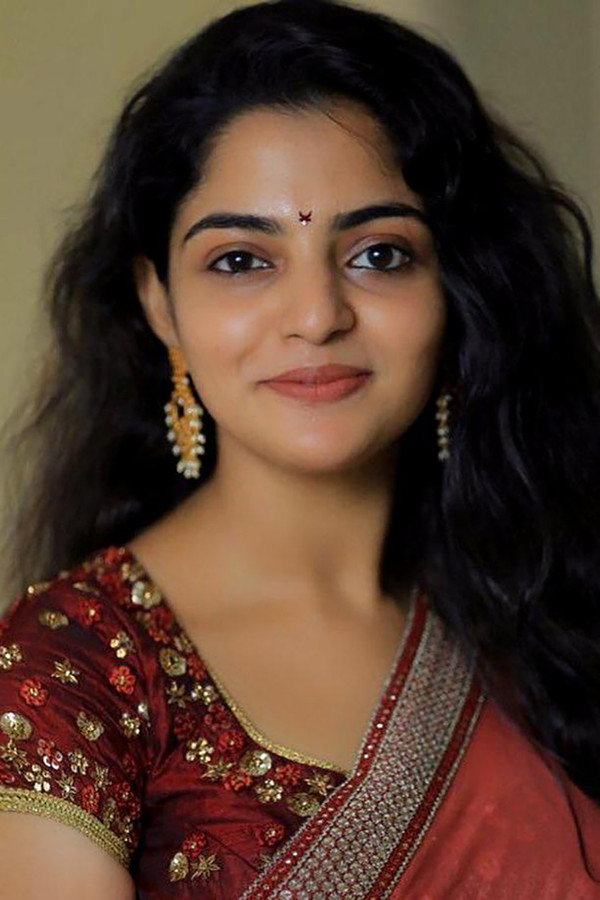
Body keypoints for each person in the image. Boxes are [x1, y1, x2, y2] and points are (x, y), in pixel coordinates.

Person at [0, 0, 599, 895]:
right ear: (161, 304)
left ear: (459, 288)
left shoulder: (549, 610)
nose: (317, 316)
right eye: (242, 260)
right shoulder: (73, 674)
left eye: (380, 255)